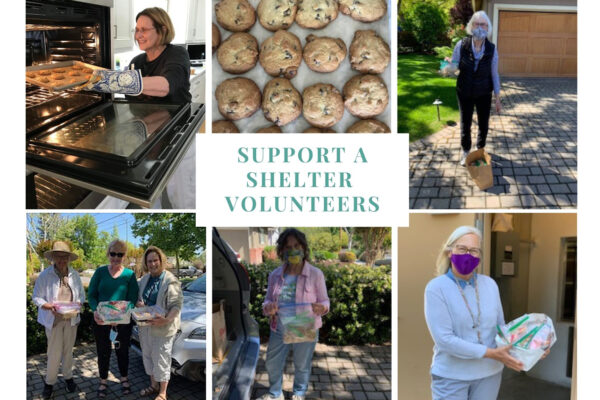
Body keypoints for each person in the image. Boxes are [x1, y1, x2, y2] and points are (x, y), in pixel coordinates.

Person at [424, 226, 550, 400]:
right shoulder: (436, 288)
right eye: (462, 248)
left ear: (480, 257)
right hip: (451, 376)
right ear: (449, 252)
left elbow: (501, 331)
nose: (468, 254)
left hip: (489, 374)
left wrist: (532, 348)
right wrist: (490, 353)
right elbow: (445, 340)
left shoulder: (489, 284)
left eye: (474, 250)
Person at [258, 228, 330, 400]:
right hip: (279, 326)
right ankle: (275, 394)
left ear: (303, 247)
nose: (292, 250)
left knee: (302, 365)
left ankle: (298, 393)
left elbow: (325, 301)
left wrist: (323, 308)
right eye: (287, 247)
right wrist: (268, 307)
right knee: (272, 363)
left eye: (296, 245)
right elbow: (267, 300)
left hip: (303, 324)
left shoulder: (315, 274)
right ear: (282, 250)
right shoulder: (275, 275)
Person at [446, 11, 501, 166]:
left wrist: (498, 98)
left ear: (487, 28)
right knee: (466, 122)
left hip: (484, 92)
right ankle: (465, 151)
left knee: (483, 123)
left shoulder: (491, 49)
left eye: (483, 24)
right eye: (476, 24)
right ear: (471, 26)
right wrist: (448, 66)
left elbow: (494, 73)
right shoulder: (461, 45)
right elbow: (455, 65)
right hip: (464, 91)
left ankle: (480, 149)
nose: (480, 27)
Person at [32, 241, 85, 400]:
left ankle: (68, 377)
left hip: (71, 319)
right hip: (54, 320)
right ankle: (49, 383)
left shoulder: (74, 275)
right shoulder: (45, 275)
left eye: (65, 257)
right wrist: (48, 306)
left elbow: (81, 295)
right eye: (58, 257)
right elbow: (36, 297)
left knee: (68, 351)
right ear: (53, 258)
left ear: (69, 258)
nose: (62, 260)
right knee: (54, 353)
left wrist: (79, 303)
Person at [88, 239, 139, 398]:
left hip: (122, 323)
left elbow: (132, 299)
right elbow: (91, 295)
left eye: (120, 254)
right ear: (108, 254)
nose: (116, 257)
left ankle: (124, 378)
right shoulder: (100, 272)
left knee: (122, 351)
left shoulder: (129, 275)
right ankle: (103, 380)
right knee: (103, 351)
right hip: (101, 321)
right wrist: (96, 311)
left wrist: (121, 316)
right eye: (113, 254)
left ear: (124, 256)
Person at [136, 246, 183, 400]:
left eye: (155, 260)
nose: (153, 264)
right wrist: (140, 305)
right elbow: (139, 299)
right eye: (149, 261)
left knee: (161, 359)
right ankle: (153, 385)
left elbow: (176, 304)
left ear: (161, 260)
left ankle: (163, 393)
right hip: (145, 327)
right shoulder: (144, 279)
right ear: (146, 263)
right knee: (148, 356)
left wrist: (167, 319)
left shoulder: (170, 280)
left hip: (163, 327)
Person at [127, 7, 192, 104]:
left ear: (163, 31)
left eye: (144, 30)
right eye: (137, 30)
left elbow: (166, 86)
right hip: (143, 118)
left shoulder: (177, 53)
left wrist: (119, 82)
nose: (138, 36)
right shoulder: (136, 62)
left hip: (177, 116)